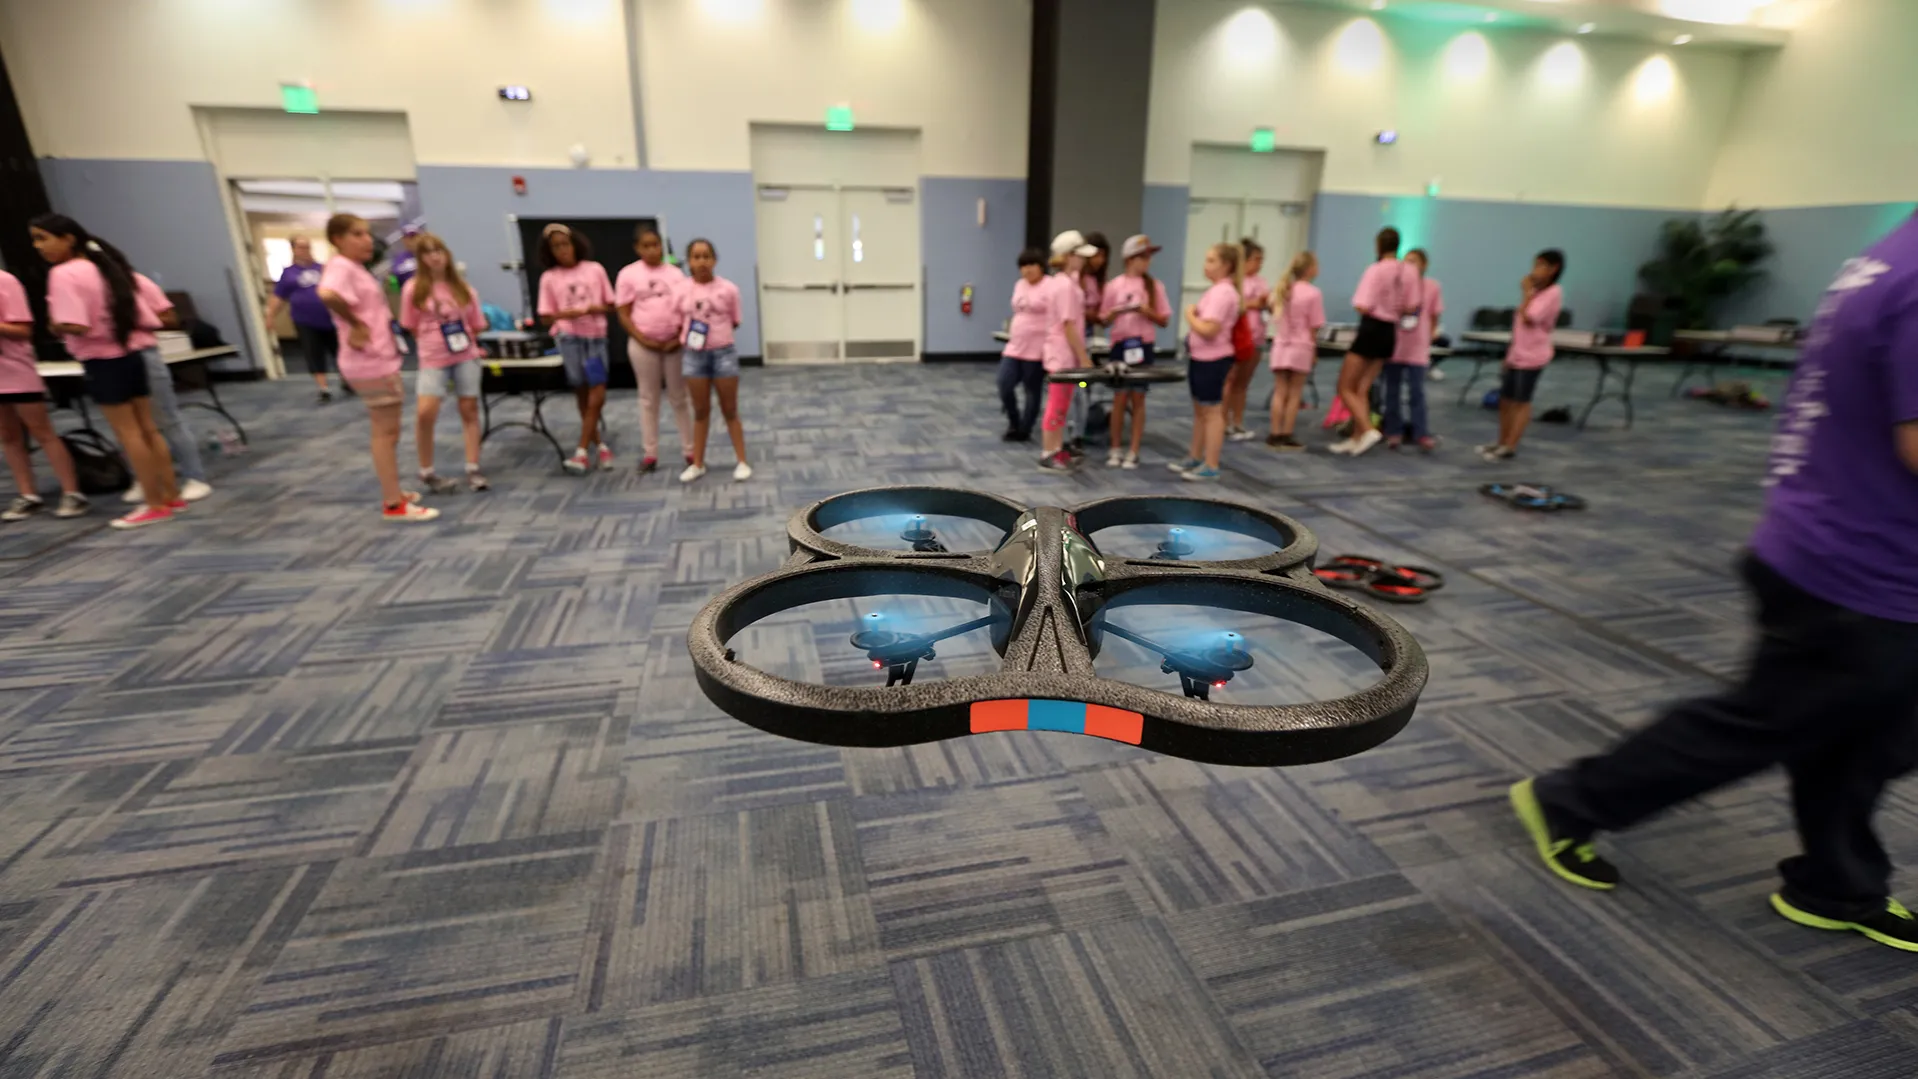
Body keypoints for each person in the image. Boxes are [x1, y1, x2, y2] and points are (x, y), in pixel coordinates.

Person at [1511, 214, 1918, 952]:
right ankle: (1571, 799)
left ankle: (1839, 881)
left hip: (1842, 551)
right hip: (1859, 570)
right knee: (1765, 723)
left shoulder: (1890, 253)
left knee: (1866, 731)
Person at [32, 214, 178, 529]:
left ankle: (154, 504)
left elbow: (77, 324)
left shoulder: (64, 274)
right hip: (130, 356)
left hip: (104, 360)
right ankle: (170, 495)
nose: (39, 247)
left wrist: (56, 324)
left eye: (43, 238)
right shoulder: (108, 267)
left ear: (68, 238)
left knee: (129, 434)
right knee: (148, 429)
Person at [318, 212, 438, 523]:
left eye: (367, 233)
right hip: (368, 361)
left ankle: (395, 492)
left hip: (379, 356)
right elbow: (326, 294)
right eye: (357, 234)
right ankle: (393, 504)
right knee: (385, 432)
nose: (367, 240)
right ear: (338, 239)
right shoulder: (341, 267)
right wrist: (356, 324)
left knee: (389, 430)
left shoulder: (354, 268)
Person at [109, 250, 214, 505]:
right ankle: (143, 478)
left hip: (144, 354)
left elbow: (168, 317)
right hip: (111, 359)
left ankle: (195, 476)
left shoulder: (139, 283)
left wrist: (132, 320)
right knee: (128, 428)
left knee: (167, 419)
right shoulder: (93, 288)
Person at [398, 232, 488, 493]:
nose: (434, 257)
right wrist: (432, 342)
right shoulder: (413, 289)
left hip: (466, 355)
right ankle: (426, 470)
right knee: (426, 412)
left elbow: (477, 324)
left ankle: (473, 467)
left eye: (438, 251)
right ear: (421, 259)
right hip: (433, 357)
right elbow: (410, 325)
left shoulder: (464, 289)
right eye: (427, 252)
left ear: (446, 255)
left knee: (469, 408)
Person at [0, 266, 86, 522]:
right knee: (7, 435)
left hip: (16, 369)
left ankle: (72, 492)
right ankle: (28, 494)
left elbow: (24, 330)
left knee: (41, 430)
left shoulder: (6, 281)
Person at [535, 223, 616, 475]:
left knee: (597, 392)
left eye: (565, 244)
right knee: (582, 393)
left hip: (595, 337)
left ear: (574, 244)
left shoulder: (594, 270)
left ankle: (581, 450)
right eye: (556, 247)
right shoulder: (549, 277)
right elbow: (546, 317)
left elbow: (611, 305)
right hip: (570, 338)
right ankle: (600, 445)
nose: (562, 251)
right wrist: (564, 314)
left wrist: (591, 309)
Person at [1333, 227, 1420, 457]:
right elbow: (1412, 306)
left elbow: (1362, 304)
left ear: (1378, 246)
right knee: (1363, 388)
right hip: (1390, 331)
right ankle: (1356, 438)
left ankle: (1369, 430)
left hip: (1371, 328)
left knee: (1345, 386)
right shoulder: (1409, 271)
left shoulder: (1376, 269)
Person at [616, 226, 694, 474]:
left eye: (656, 244)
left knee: (679, 397)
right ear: (638, 248)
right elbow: (624, 312)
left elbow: (686, 309)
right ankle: (650, 453)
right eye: (646, 246)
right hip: (643, 346)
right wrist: (642, 338)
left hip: (674, 344)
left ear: (662, 246)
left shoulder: (675, 274)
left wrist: (678, 336)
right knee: (649, 399)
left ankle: (690, 451)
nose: (652, 250)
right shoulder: (628, 275)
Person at [676, 239, 750, 483]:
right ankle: (697, 463)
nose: (702, 262)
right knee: (700, 411)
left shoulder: (728, 289)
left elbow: (735, 320)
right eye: (696, 257)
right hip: (694, 356)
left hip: (723, 354)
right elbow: (678, 320)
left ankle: (741, 461)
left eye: (706, 256)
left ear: (714, 259)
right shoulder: (681, 289)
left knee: (730, 409)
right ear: (689, 261)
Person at [1481, 249, 1564, 461]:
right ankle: (1501, 441)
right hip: (1517, 354)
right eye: (1535, 265)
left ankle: (1511, 446)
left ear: (1553, 269)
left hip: (1533, 356)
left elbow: (1529, 318)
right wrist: (1508, 356)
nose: (1535, 271)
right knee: (1505, 400)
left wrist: (1525, 293)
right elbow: (1519, 327)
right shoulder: (1536, 292)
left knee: (1521, 401)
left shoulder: (1553, 293)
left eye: (1541, 266)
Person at [1170, 243, 1242, 483]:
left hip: (1214, 359)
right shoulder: (1215, 290)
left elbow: (1209, 329)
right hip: (1201, 358)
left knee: (1212, 412)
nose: (1206, 265)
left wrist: (1190, 314)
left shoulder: (1224, 293)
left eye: (1212, 260)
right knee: (1201, 411)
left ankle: (1211, 464)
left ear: (1226, 265)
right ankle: (1195, 455)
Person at [1100, 234, 1170, 468]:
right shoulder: (1114, 286)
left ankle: (1134, 450)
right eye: (1143, 257)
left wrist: (1146, 311)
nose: (1147, 262)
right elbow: (1103, 319)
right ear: (1130, 259)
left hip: (1143, 346)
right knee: (1119, 398)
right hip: (1120, 346)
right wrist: (1115, 313)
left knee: (1138, 398)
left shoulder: (1155, 286)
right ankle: (1115, 447)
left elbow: (1164, 320)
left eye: (1149, 257)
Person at [1037, 231, 1095, 473]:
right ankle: (1049, 452)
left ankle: (1056, 448)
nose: (1083, 260)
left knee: (1062, 404)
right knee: (1058, 405)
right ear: (1069, 256)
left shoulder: (1066, 283)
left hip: (1063, 353)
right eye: (1079, 256)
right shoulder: (1064, 286)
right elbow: (1068, 324)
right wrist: (1084, 357)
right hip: (1062, 355)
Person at [265, 236, 340, 402]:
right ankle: (323, 388)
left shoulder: (323, 268)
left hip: (330, 318)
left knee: (339, 351)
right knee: (314, 353)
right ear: (293, 249)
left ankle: (347, 380)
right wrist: (270, 315)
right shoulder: (289, 273)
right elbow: (279, 297)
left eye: (307, 247)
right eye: (301, 247)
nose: (305, 250)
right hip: (305, 320)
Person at [1382, 247, 1443, 453]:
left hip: (1418, 347)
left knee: (1417, 392)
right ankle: (1393, 431)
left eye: (1414, 261)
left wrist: (1430, 336)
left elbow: (1434, 315)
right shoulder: (1397, 287)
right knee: (1392, 390)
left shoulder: (1432, 287)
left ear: (1424, 265)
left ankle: (1421, 432)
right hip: (1396, 345)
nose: (1409, 266)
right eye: (1406, 261)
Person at [1266, 250, 1324, 452]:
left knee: (1280, 391)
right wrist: (1314, 350)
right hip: (1301, 347)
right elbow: (1314, 325)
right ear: (1309, 270)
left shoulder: (1282, 289)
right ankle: (1286, 433)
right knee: (1294, 393)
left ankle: (1274, 434)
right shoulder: (1313, 293)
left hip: (1280, 346)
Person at [997, 247, 1050, 443]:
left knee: (1032, 390)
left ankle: (1024, 429)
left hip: (1037, 349)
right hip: (1015, 345)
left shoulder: (1050, 285)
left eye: (1031, 265)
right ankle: (1013, 420)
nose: (1027, 270)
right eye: (1023, 266)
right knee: (1004, 383)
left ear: (1041, 266)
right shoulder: (1020, 284)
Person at [1224, 237, 1270, 442]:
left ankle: (1238, 422)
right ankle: (1223, 421)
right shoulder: (1234, 281)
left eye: (1261, 260)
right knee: (1230, 380)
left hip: (1257, 337)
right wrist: (1254, 303)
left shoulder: (1262, 281)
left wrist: (1267, 304)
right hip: (1238, 338)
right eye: (1256, 259)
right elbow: (1236, 305)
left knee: (1243, 383)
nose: (1259, 264)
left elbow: (1267, 304)